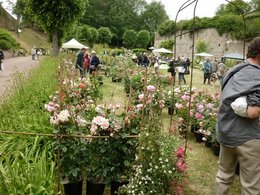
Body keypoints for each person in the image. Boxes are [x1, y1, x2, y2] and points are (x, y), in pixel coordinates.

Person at [216, 37, 260, 195]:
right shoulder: (258, 76)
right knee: (251, 186)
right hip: (248, 137)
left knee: (223, 176)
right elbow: (253, 112)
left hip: (226, 131)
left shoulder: (232, 71)